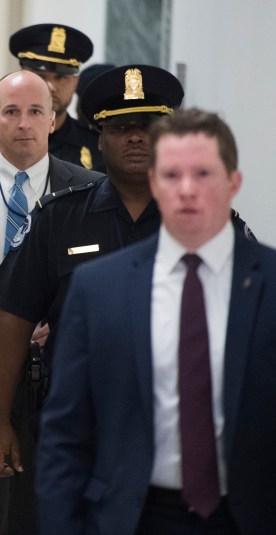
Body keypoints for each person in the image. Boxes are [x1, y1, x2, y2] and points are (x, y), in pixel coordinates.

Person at [36, 108, 275, 534]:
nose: (187, 190)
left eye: (203, 174)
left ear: (233, 184)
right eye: (171, 175)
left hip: (247, 516)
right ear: (154, 183)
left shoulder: (269, 284)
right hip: (130, 516)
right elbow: (65, 435)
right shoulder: (99, 289)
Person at [0, 70, 103, 534]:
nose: (24, 123)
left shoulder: (91, 193)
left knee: (52, 514)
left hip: (61, 389)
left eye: (36, 111)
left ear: (54, 120)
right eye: (11, 112)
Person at [0, 23, 104, 173]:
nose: (50, 86)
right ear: (22, 75)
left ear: (75, 83)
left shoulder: (96, 147)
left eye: (60, 78)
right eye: (40, 76)